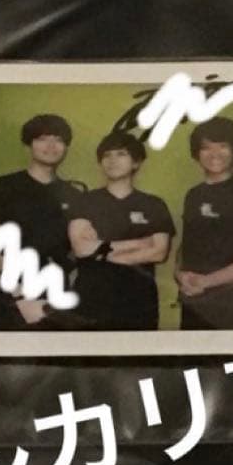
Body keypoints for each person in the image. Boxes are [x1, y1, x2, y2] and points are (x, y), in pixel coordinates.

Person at [0, 113, 83, 330]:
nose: (51, 146)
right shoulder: (5, 186)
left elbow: (75, 249)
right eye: (42, 139)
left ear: (66, 146)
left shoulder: (73, 194)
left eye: (58, 140)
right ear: (29, 144)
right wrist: (21, 298)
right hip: (10, 296)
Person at [68, 132, 175, 329]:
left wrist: (100, 252)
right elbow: (82, 249)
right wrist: (139, 243)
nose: (112, 160)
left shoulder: (154, 205)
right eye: (107, 155)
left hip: (139, 301)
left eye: (121, 154)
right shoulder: (85, 201)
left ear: (136, 162)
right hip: (91, 300)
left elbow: (159, 252)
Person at [176, 116, 233, 329]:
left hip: (232, 305)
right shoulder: (193, 195)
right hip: (193, 303)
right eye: (206, 147)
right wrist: (179, 274)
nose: (214, 154)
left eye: (223, 146)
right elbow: (185, 247)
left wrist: (205, 282)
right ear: (196, 153)